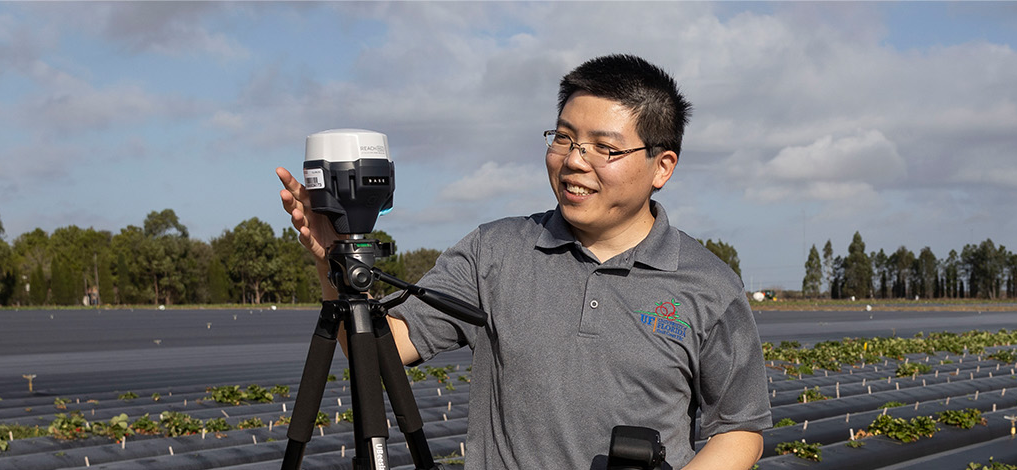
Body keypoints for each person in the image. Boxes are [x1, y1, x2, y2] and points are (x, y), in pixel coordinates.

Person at [275, 54, 769, 469]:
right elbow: (381, 347)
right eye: (564, 138)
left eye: (604, 148)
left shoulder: (708, 284)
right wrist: (333, 259)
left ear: (662, 166)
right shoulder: (495, 252)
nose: (574, 161)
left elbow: (740, 428)